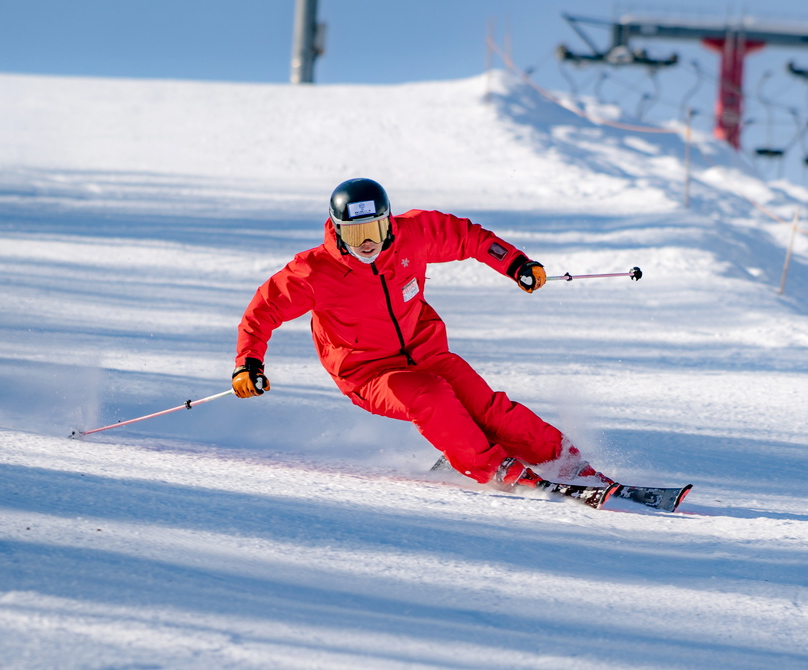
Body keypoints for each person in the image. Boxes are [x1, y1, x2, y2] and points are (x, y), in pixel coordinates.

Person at [231, 177, 605, 492]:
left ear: (388, 222)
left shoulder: (413, 236)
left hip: (428, 353)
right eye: (355, 232)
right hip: (369, 374)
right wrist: (248, 364)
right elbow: (261, 312)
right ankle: (495, 469)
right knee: (430, 396)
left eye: (374, 229)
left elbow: (468, 237)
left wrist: (515, 263)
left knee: (488, 407)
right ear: (336, 229)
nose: (367, 243)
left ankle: (565, 463)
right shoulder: (314, 272)